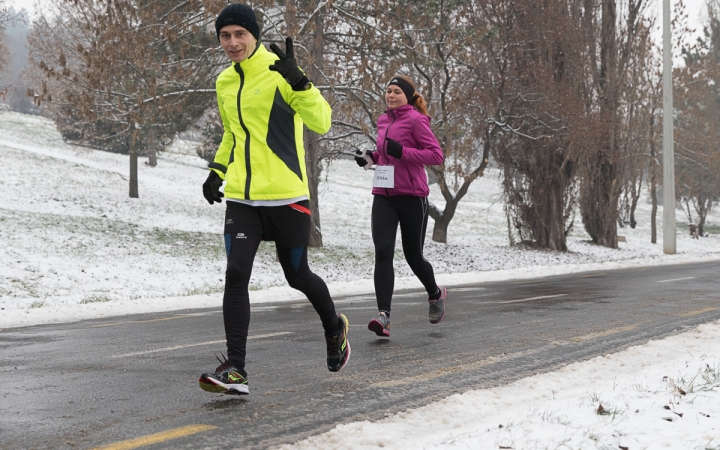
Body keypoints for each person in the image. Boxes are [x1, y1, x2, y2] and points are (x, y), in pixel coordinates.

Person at [198, 3, 350, 396]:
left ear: (254, 35)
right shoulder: (225, 82)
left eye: (239, 35)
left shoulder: (281, 71)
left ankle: (334, 329)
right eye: (225, 36)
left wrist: (301, 83)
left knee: (297, 275)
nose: (232, 43)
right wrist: (218, 171)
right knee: (236, 275)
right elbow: (234, 134)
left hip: (286, 195)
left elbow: (322, 121)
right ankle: (236, 370)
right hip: (244, 200)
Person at [354, 75, 447, 338]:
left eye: (397, 92)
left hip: (412, 196)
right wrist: (370, 158)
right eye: (388, 91)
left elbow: (435, 155)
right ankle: (384, 316)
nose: (391, 95)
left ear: (407, 96)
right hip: (384, 195)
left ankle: (435, 293)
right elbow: (385, 153)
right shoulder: (383, 119)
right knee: (383, 252)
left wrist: (403, 151)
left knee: (412, 255)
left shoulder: (417, 120)